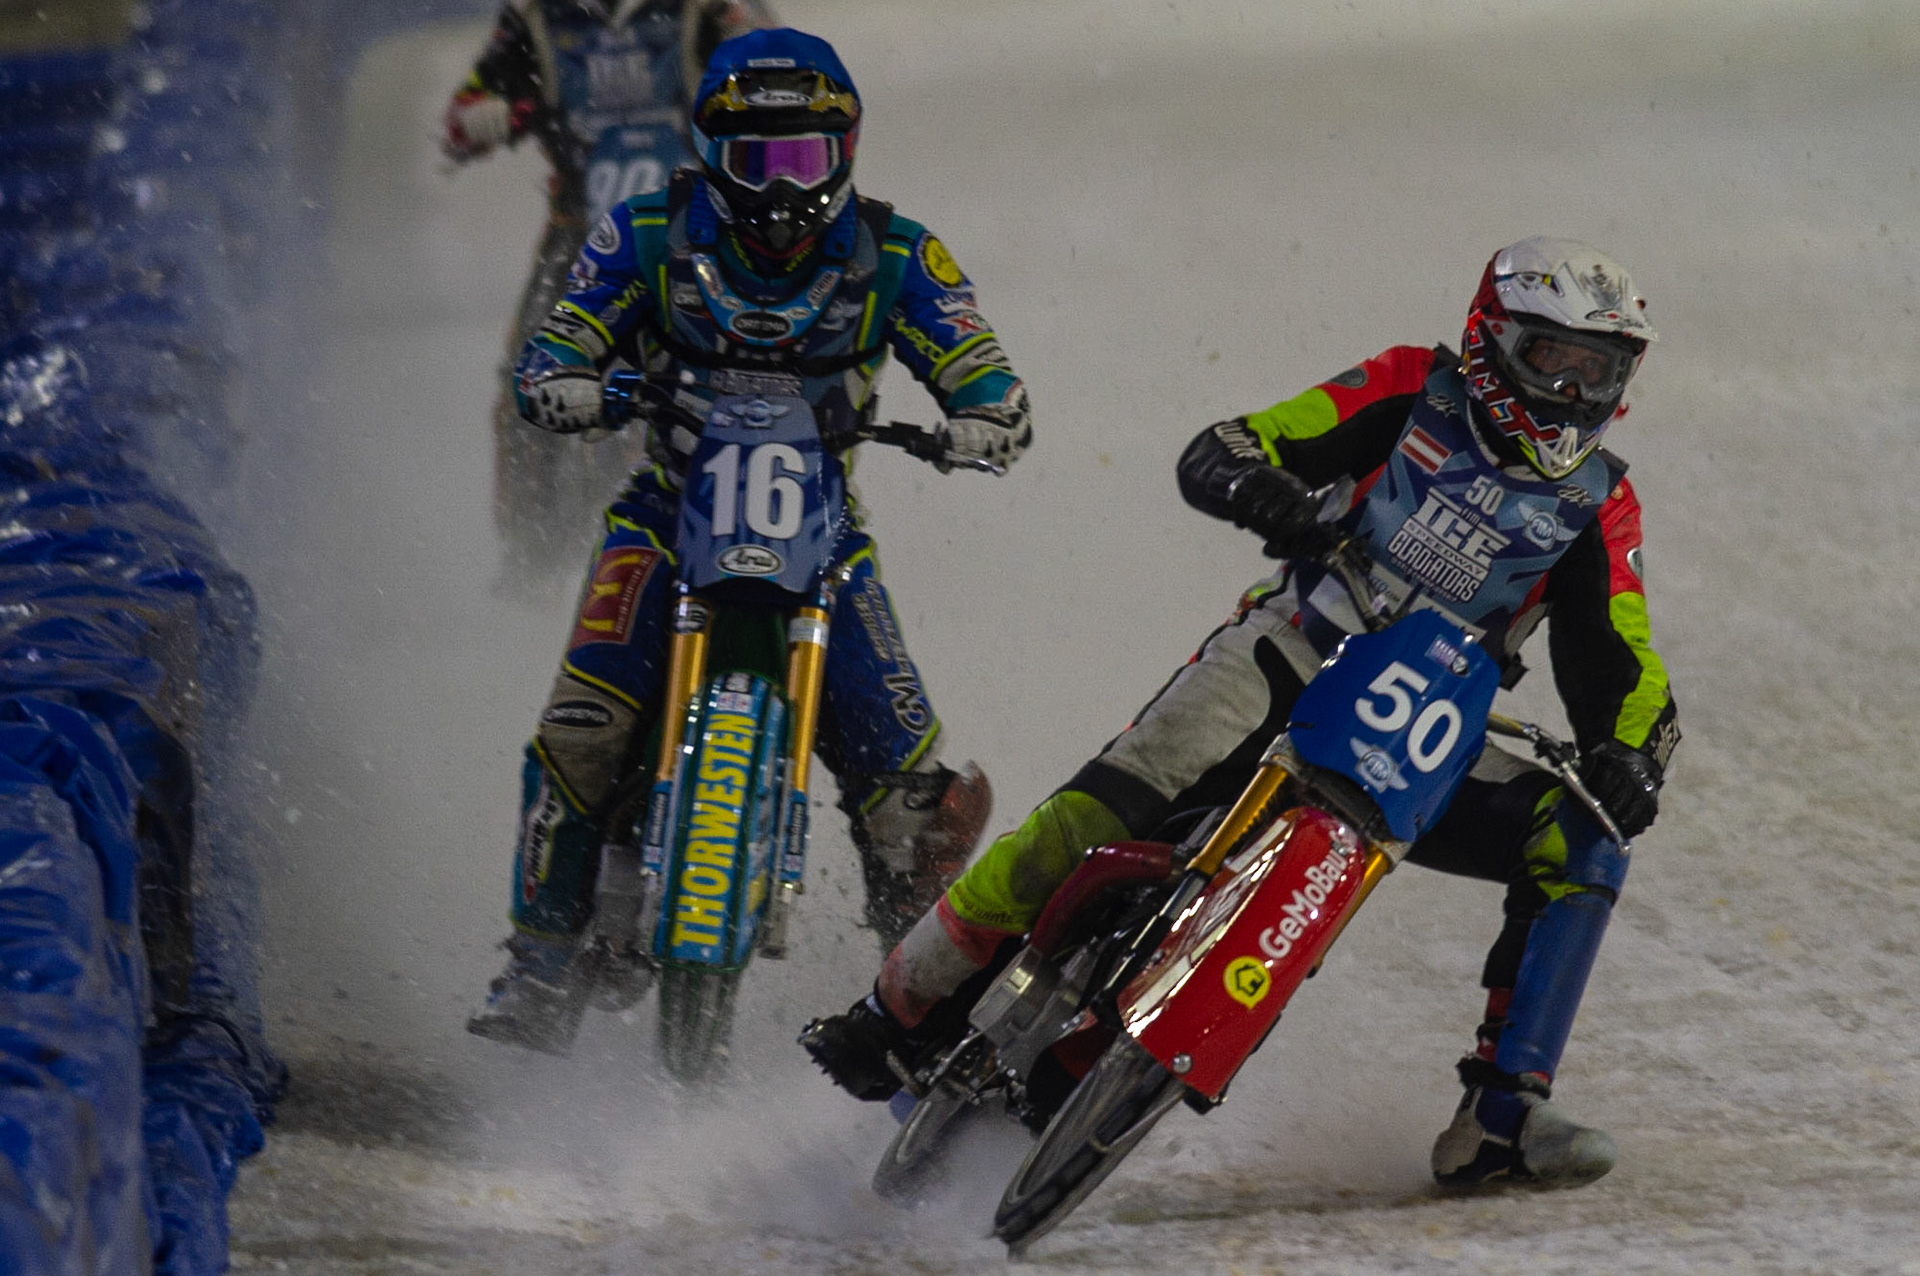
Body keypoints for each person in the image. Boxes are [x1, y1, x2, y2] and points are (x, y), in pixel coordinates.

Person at [802, 237, 1680, 1189]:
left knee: (1585, 841)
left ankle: (1501, 1119)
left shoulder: (1601, 504)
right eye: (1555, 359)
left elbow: (1620, 654)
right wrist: (1262, 490)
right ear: (1494, 341)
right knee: (1088, 819)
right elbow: (1236, 443)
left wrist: (1632, 753)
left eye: (1599, 370)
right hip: (1288, 655)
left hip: (1426, 737)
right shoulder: (1407, 390)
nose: (1573, 391)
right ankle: (896, 1008)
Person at [468, 27, 1034, 1056]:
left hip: (825, 535)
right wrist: (574, 386)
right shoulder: (644, 234)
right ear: (709, 153)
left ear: (843, 151)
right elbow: (558, 346)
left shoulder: (897, 252)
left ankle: (924, 1001)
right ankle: (537, 963)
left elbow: (976, 359)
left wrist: (984, 416)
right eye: (754, 158)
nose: (779, 188)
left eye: (802, 157)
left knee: (910, 796)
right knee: (580, 730)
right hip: (662, 517)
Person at [442, 0, 777, 571]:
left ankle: (761, 519)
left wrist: (745, 69)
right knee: (531, 375)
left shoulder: (708, 9)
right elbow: (463, 115)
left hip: (701, 220)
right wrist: (483, 119)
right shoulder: (536, 17)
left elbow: (781, 71)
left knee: (758, 359)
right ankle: (529, 553)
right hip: (579, 228)